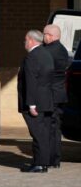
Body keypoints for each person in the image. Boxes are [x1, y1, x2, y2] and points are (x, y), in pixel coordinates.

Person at [18, 30, 54, 173]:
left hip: (36, 103)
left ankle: (39, 164)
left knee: (37, 134)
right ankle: (44, 163)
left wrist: (31, 104)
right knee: (43, 134)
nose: (24, 42)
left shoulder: (32, 57)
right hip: (46, 101)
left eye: (25, 39)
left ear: (32, 40)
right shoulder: (46, 54)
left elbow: (31, 82)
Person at [43, 24, 69, 169]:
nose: (43, 37)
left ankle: (49, 158)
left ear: (50, 36)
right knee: (55, 128)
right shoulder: (63, 50)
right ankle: (56, 159)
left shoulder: (47, 51)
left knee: (48, 128)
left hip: (50, 94)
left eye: (44, 34)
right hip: (59, 93)